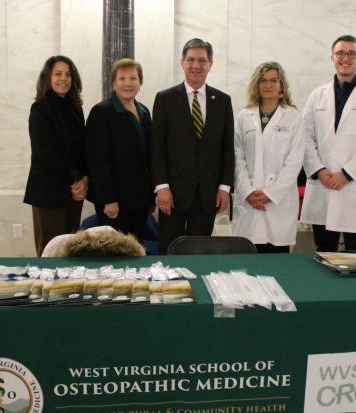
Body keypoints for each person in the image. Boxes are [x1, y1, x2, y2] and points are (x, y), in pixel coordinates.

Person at [300, 35, 356, 254]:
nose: (345, 58)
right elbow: (304, 137)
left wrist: (347, 174)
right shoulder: (317, 95)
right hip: (323, 183)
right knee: (324, 249)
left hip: (355, 186)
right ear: (332, 57)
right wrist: (319, 171)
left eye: (352, 53)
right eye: (340, 53)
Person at [151, 38, 235, 254]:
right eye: (190, 60)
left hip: (207, 195)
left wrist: (225, 188)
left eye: (202, 60)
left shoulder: (223, 101)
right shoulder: (165, 99)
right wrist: (162, 187)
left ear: (210, 64)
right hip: (172, 194)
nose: (196, 65)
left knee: (200, 252)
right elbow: (157, 148)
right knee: (169, 250)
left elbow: (227, 148)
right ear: (182, 63)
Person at [232, 62, 304, 253]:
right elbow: (237, 157)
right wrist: (247, 192)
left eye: (274, 80)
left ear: (282, 85)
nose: (268, 85)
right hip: (249, 200)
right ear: (256, 84)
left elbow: (294, 161)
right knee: (249, 261)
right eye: (263, 80)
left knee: (277, 263)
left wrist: (271, 194)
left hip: (278, 202)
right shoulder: (243, 116)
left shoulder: (294, 117)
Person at [24, 55, 88, 257]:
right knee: (50, 253)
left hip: (74, 193)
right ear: (48, 78)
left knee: (70, 252)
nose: (64, 78)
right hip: (49, 193)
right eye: (58, 74)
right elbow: (47, 154)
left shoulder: (76, 109)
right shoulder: (39, 109)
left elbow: (82, 149)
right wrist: (73, 181)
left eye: (68, 74)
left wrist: (83, 180)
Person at [86, 58, 153, 243]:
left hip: (139, 200)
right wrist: (108, 199)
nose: (128, 83)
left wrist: (150, 198)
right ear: (114, 82)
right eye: (122, 78)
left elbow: (148, 157)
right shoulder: (101, 112)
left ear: (140, 82)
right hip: (114, 202)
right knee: (116, 253)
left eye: (133, 78)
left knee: (136, 249)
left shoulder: (144, 111)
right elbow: (97, 160)